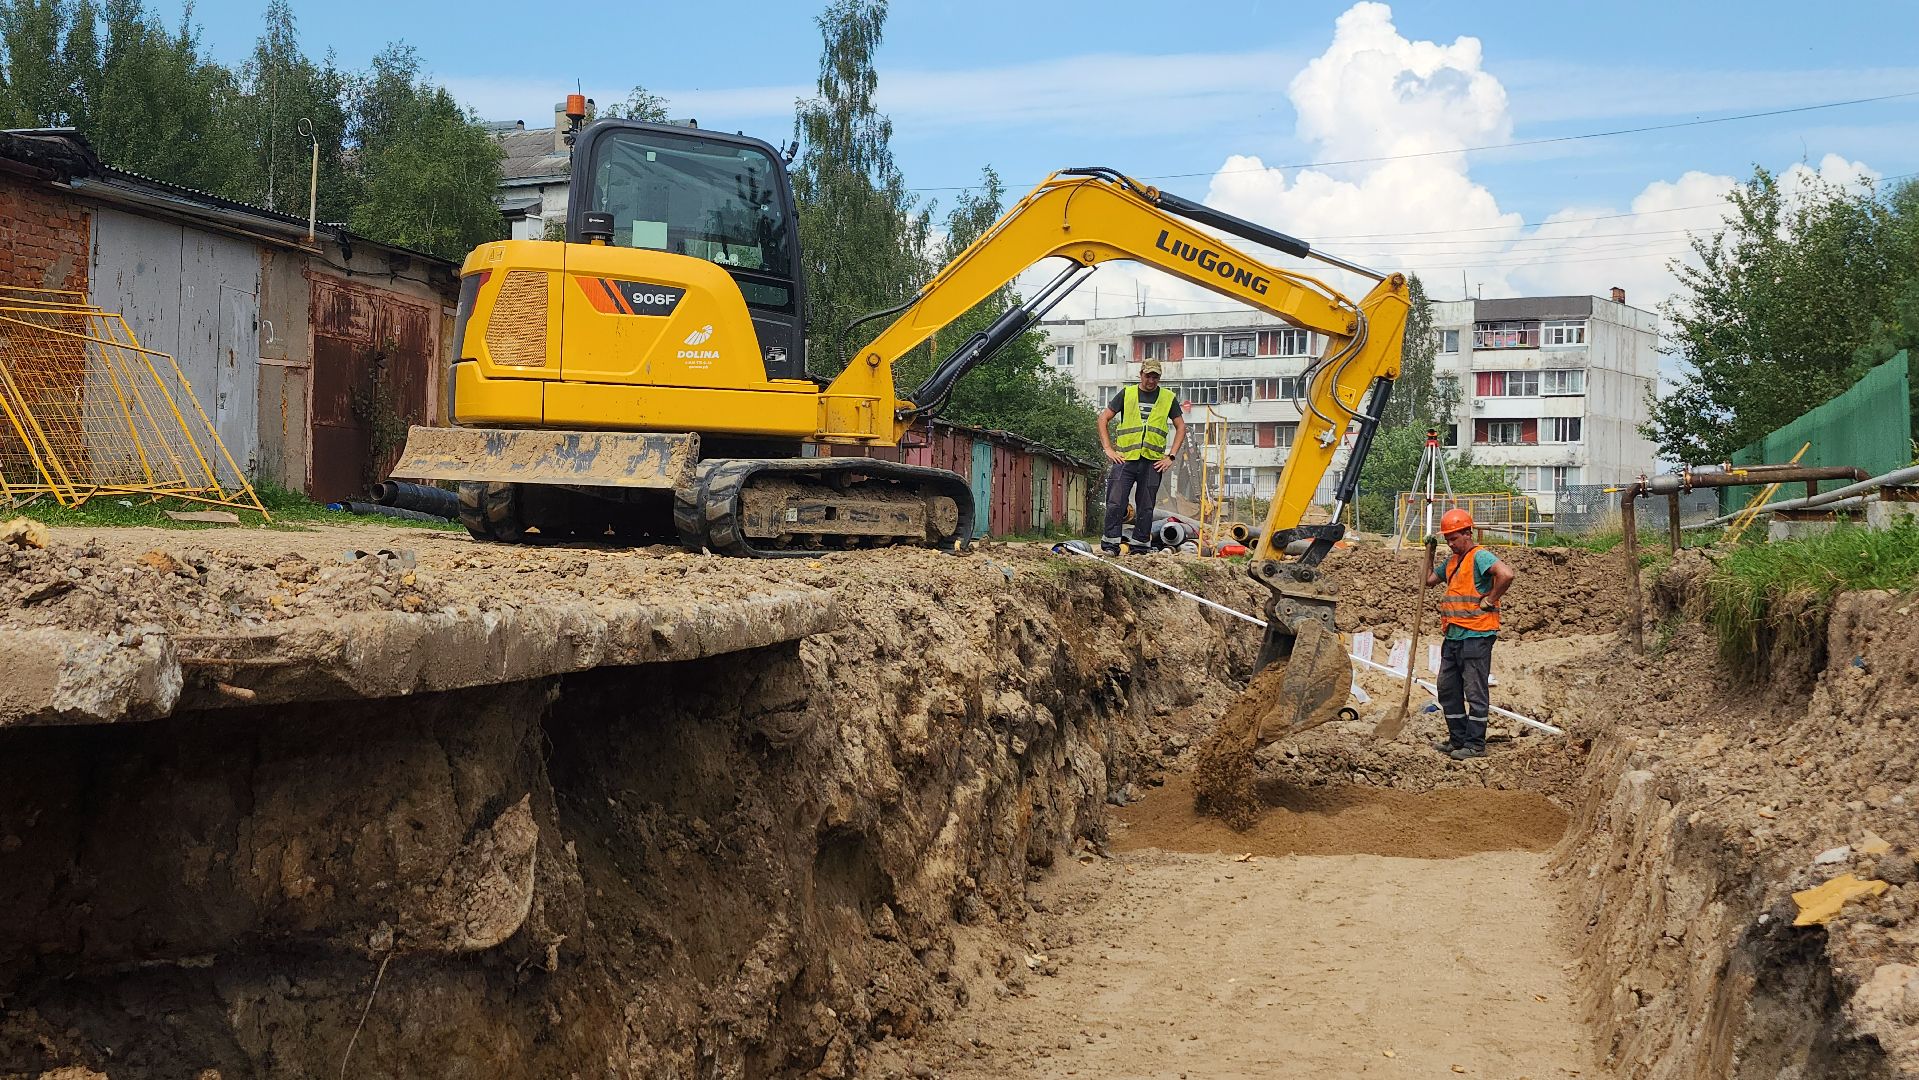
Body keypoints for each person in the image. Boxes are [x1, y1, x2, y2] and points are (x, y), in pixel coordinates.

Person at [1426, 508, 1516, 760]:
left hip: (1477, 635)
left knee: (1475, 691)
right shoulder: (1453, 562)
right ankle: (1458, 740)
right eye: (1447, 539)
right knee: (1447, 688)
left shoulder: (1479, 556)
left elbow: (1506, 574)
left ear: (1468, 533)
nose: (1451, 544)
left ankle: (1475, 744)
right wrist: (1430, 553)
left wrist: (1491, 598)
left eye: (1454, 538)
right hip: (1454, 635)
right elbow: (1428, 581)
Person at [1096, 358, 1186, 555]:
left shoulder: (1168, 398)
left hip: (1153, 461)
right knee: (1116, 502)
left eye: (1155, 377)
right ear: (1141, 374)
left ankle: (1140, 547)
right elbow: (1103, 418)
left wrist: (1170, 457)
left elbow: (1181, 427)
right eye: (1148, 376)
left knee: (1146, 507)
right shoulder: (1126, 394)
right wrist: (1108, 449)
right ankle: (1110, 545)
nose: (1151, 380)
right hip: (1125, 459)